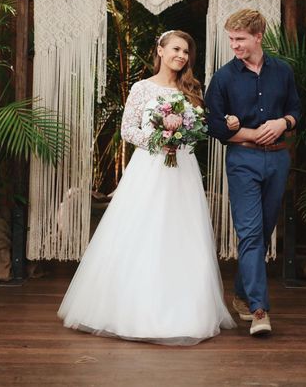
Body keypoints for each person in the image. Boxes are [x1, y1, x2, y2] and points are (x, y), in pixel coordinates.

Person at [58, 30, 236, 345]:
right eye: (176, 49)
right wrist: (159, 141)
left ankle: (183, 311)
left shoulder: (192, 89)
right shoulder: (142, 88)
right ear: (161, 50)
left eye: (186, 52)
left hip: (183, 171)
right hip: (150, 168)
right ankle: (132, 309)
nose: (181, 56)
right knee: (143, 231)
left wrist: (188, 136)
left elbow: (200, 128)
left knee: (181, 234)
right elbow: (128, 129)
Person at [205, 9, 300, 336]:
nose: (234, 45)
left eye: (240, 39)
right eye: (231, 39)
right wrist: (249, 133)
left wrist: (282, 123)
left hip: (278, 161)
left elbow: (296, 110)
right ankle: (260, 310)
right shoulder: (223, 78)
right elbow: (213, 125)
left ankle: (243, 295)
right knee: (249, 233)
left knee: (262, 232)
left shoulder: (283, 71)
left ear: (258, 37)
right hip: (242, 161)